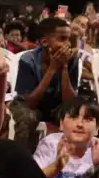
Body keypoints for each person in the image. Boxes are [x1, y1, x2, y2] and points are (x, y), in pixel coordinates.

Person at [11, 17, 79, 150]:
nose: (68, 44)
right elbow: (30, 103)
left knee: (78, 113)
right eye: (62, 39)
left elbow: (70, 102)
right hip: (28, 104)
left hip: (56, 105)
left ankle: (67, 158)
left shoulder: (72, 61)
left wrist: (64, 67)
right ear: (44, 41)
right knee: (27, 117)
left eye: (69, 39)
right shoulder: (28, 60)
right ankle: (23, 157)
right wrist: (52, 68)